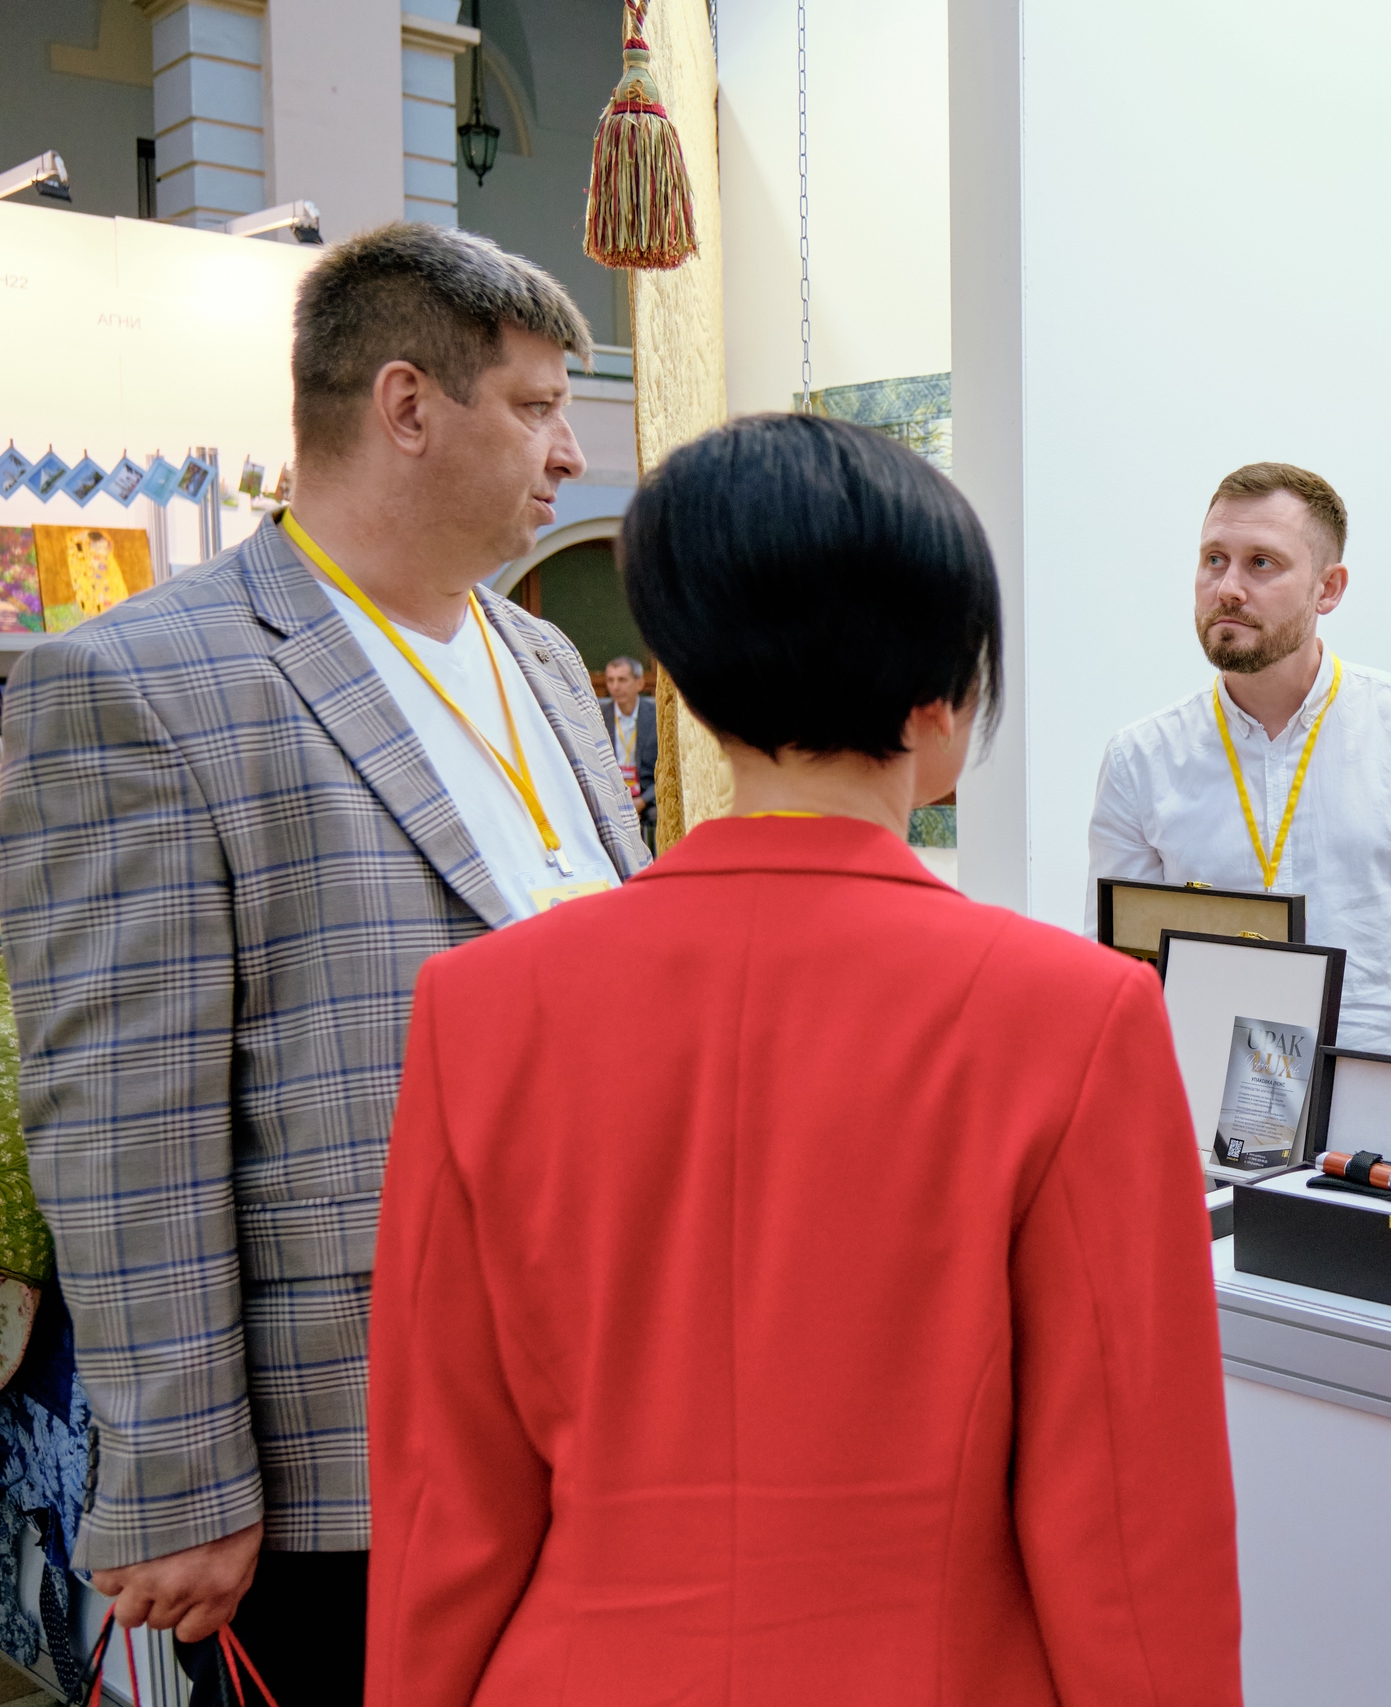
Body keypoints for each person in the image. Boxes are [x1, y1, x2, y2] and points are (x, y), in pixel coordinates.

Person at [365, 412, 1242, 1705]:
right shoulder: (1076, 1018)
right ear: (941, 699)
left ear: (685, 669)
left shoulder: (481, 1008)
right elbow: (1125, 1520)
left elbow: (445, 1498)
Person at [0, 223, 647, 1705]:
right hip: (344, 1437)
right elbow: (125, 1119)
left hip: (595, 1388)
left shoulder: (544, 661)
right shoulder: (144, 682)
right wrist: (179, 1476)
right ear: (407, 405)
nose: (569, 453)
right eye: (537, 407)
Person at [1088, 462, 1391, 1049]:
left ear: (1327, 589)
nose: (1228, 587)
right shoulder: (1140, 760)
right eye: (1214, 559)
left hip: (1371, 1093)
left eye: (1262, 562)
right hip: (1200, 1096)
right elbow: (1117, 967)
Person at [600, 652, 658, 841]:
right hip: (611, 796)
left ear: (639, 683)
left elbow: (668, 770)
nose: (615, 687)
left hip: (647, 797)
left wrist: (642, 801)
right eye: (610, 680)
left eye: (622, 680)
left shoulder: (656, 716)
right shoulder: (599, 716)